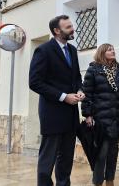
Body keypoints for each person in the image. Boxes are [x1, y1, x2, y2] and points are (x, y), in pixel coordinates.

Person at [29, 15, 85, 186]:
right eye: (68, 27)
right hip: (52, 113)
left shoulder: (73, 50)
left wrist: (80, 90)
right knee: (48, 160)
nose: (72, 29)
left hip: (70, 114)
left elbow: (76, 77)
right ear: (57, 31)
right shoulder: (43, 50)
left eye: (71, 26)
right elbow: (35, 82)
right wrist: (63, 96)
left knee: (66, 159)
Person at [81, 44, 119, 186]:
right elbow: (87, 93)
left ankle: (110, 181)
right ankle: (97, 182)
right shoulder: (93, 69)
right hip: (100, 118)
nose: (113, 51)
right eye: (109, 49)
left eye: (113, 49)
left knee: (112, 153)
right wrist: (88, 114)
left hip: (116, 117)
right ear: (102, 53)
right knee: (101, 153)